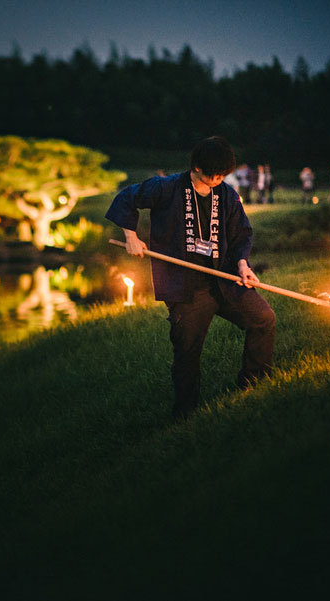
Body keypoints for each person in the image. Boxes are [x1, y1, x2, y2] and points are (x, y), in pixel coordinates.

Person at [105, 136, 275, 421]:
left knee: (264, 319)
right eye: (214, 174)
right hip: (185, 288)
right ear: (196, 167)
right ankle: (186, 415)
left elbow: (241, 233)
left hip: (224, 279)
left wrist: (243, 265)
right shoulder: (167, 187)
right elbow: (126, 197)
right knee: (187, 353)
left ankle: (254, 385)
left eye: (224, 174)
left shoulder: (228, 195)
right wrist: (131, 236)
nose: (219, 179)